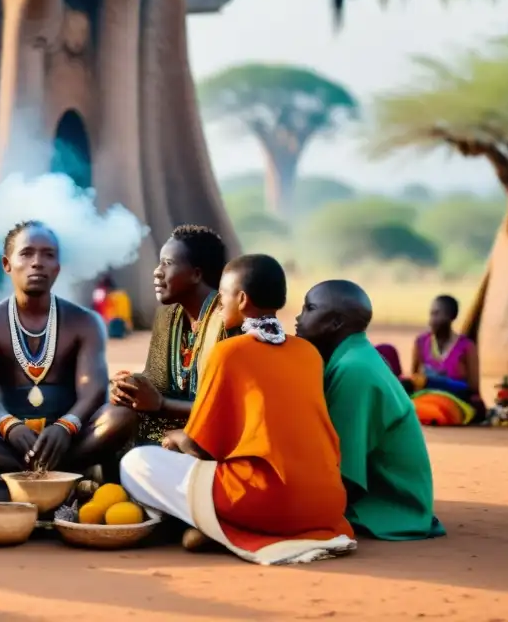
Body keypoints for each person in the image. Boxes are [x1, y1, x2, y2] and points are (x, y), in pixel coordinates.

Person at [120, 255, 356, 565]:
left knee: (136, 463)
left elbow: (201, 448)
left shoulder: (229, 353)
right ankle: (209, 525)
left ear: (242, 299)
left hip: (266, 504)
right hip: (326, 504)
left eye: (223, 294)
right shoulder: (308, 353)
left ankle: (215, 526)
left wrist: (176, 437)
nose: (219, 304)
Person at [0, 221, 138, 476]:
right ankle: (57, 473)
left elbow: (93, 390)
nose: (37, 262)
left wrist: (66, 426)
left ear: (57, 268)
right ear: (7, 264)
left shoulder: (84, 322)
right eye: (27, 253)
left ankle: (32, 473)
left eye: (48, 255)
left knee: (121, 416)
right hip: (6, 440)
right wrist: (9, 426)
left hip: (68, 439)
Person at [295, 280, 446, 540]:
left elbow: (343, 473)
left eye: (309, 308)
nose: (298, 318)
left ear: (335, 323)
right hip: (387, 495)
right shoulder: (354, 356)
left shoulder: (355, 369)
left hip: (391, 506)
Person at [110, 225, 226, 446]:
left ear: (196, 274)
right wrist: (129, 388)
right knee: (114, 414)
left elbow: (228, 408)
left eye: (168, 263)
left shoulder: (227, 321)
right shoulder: (168, 314)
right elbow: (156, 382)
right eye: (159, 262)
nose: (157, 271)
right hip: (168, 425)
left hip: (210, 434)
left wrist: (162, 405)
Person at [408, 294, 486, 425]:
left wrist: (437, 382)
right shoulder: (421, 342)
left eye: (437, 314)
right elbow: (415, 379)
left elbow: (473, 387)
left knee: (440, 410)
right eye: (431, 314)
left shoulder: (466, 346)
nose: (431, 320)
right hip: (425, 398)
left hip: (455, 400)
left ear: (452, 317)